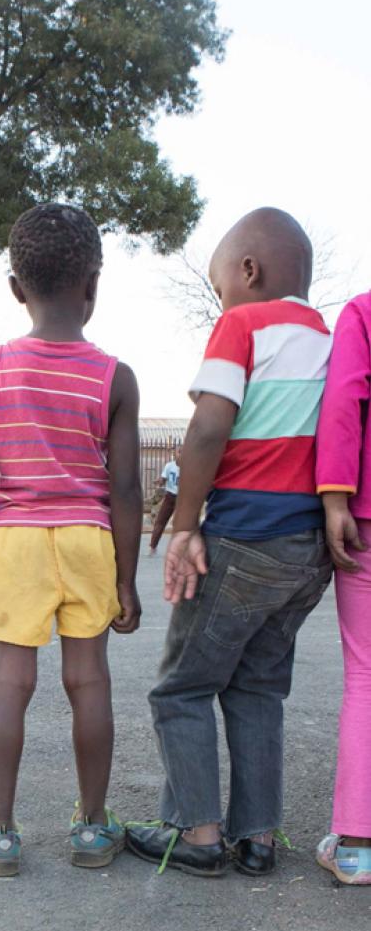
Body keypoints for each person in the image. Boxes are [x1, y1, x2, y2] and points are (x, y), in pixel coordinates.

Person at [126, 208, 333, 878]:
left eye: (219, 287)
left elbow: (210, 426)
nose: (222, 301)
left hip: (243, 537)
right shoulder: (328, 338)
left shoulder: (244, 323)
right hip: (307, 551)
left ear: (249, 271)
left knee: (182, 688)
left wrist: (186, 524)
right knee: (258, 689)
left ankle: (199, 834)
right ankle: (258, 837)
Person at [0, 203, 142, 877]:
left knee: (10, 681)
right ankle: (93, 828)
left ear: (15, 287)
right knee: (88, 681)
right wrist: (125, 580)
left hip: (15, 542)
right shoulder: (115, 376)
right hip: (89, 540)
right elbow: (125, 490)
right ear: (92, 284)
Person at [314, 290, 371, 885]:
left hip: (370, 513)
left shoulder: (364, 312)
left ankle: (358, 847)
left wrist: (336, 496)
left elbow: (344, 401)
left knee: (366, 674)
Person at [149, 447, 182, 554]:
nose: (182, 455)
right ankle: (153, 546)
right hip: (170, 497)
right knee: (160, 521)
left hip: (182, 499)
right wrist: (159, 481)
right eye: (179, 452)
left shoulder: (189, 467)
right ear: (175, 454)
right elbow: (163, 479)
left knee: (180, 524)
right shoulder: (169, 466)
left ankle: (179, 549)